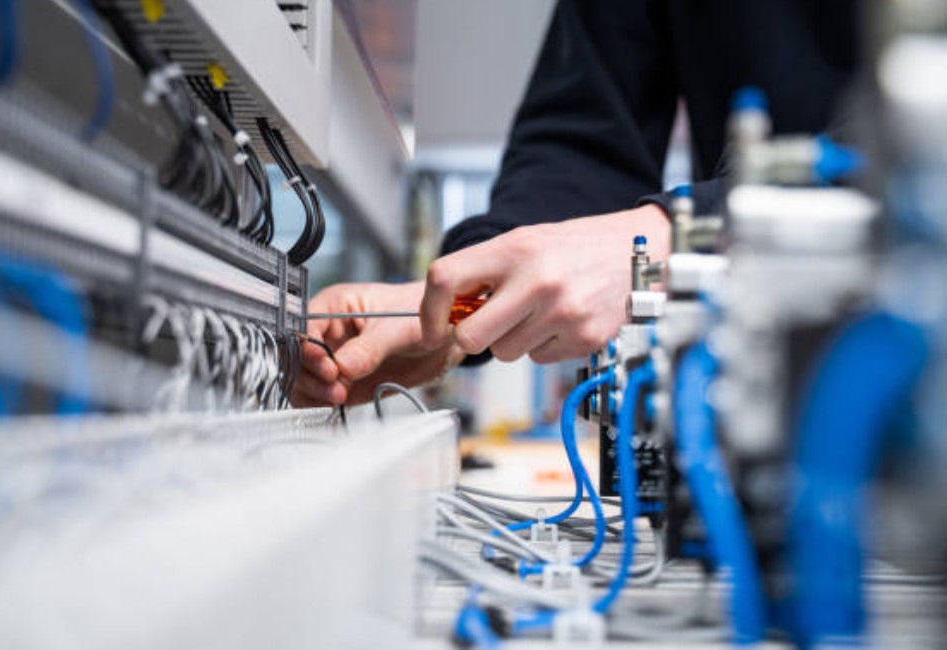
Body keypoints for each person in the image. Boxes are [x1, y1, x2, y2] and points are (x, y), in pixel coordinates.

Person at [293, 0, 861, 407]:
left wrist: (667, 239)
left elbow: (924, 139)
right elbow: (582, 145)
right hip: (774, 392)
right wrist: (459, 304)